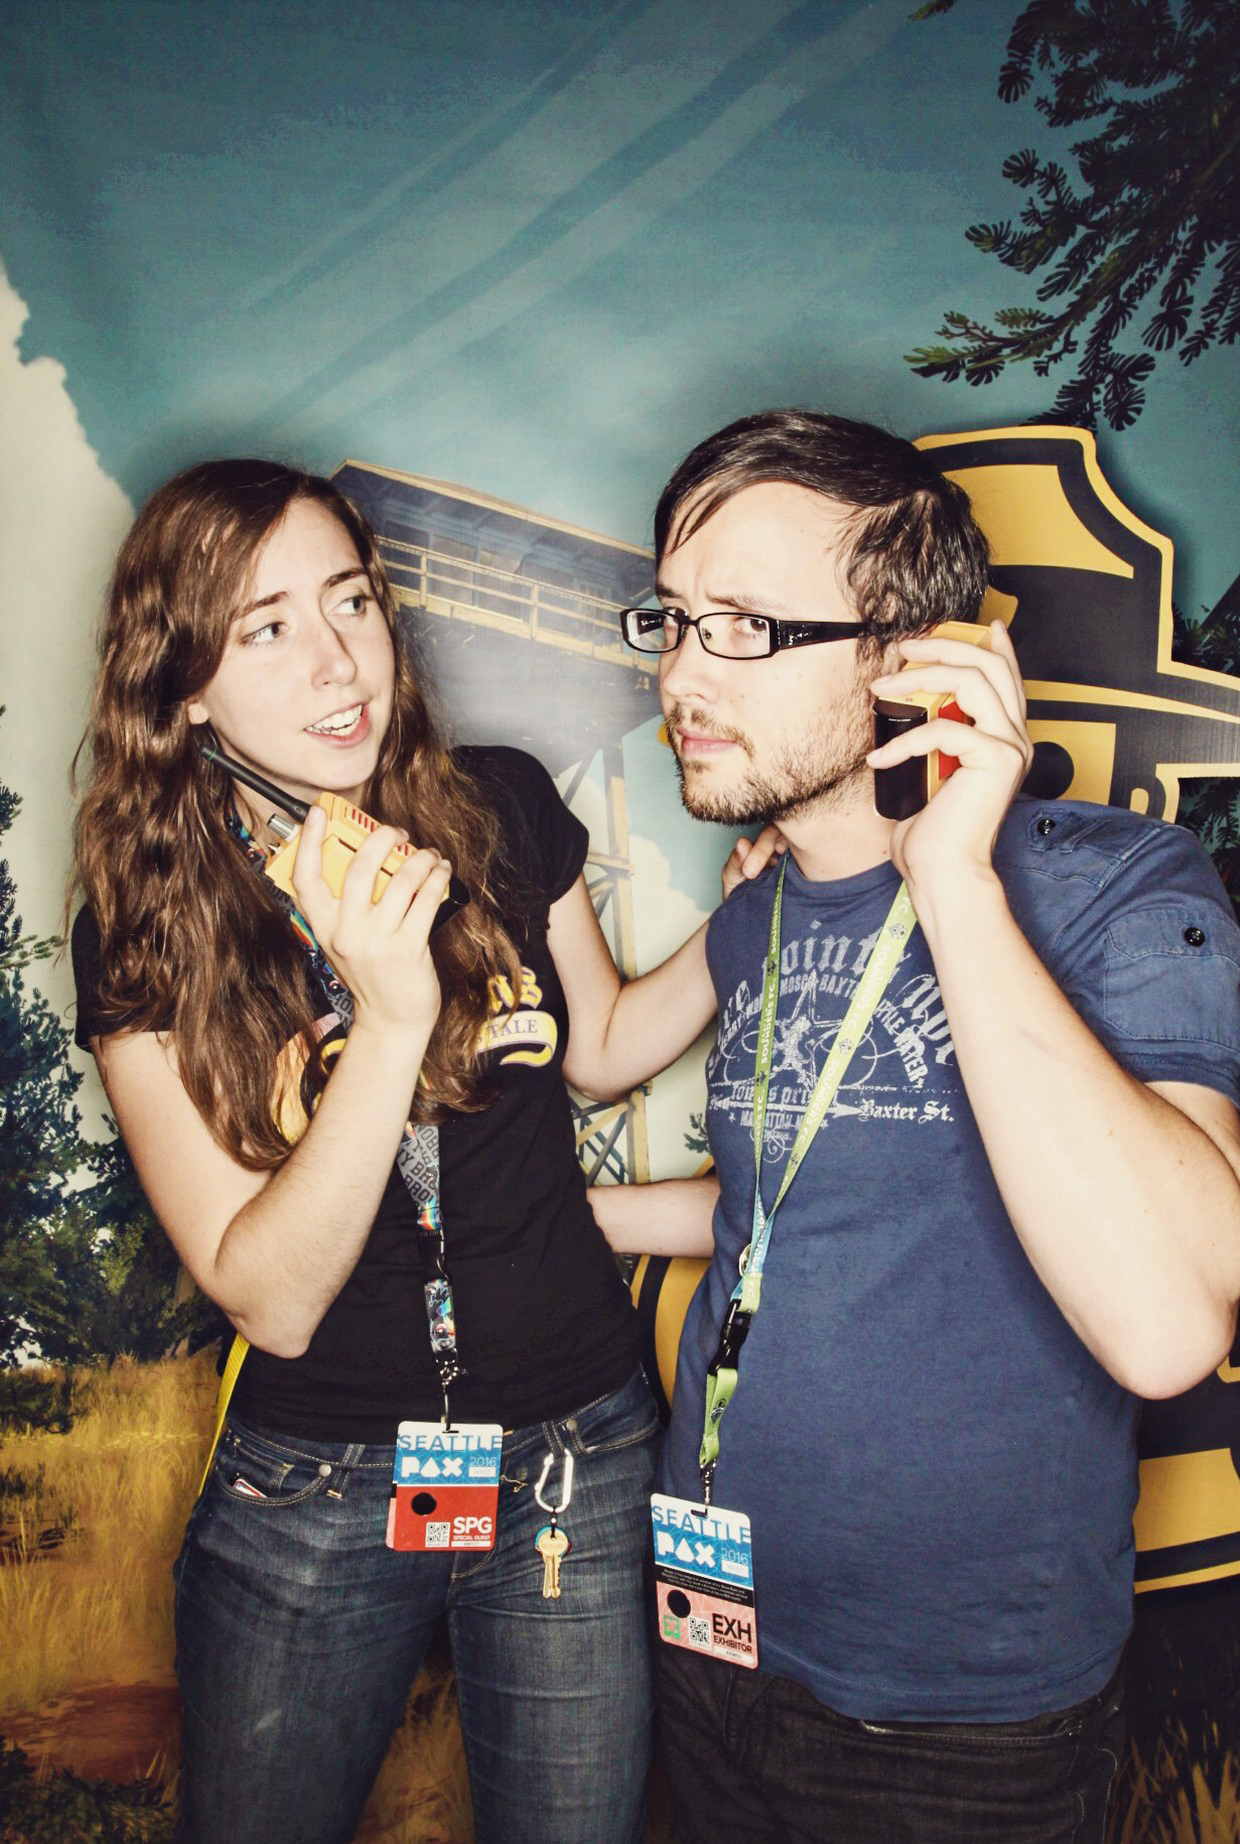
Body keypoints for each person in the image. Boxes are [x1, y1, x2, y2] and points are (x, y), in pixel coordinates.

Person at [69, 459, 762, 1844]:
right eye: (266, 627)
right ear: (183, 685)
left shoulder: (495, 805)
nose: (338, 662)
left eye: (350, 602)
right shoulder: (149, 927)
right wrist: (390, 1020)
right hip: (317, 1482)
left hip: (577, 1452)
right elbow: (269, 1297)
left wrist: (748, 911)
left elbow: (599, 1045)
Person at [603, 409, 1240, 1844]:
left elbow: (1168, 1327)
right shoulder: (755, 912)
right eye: (675, 619)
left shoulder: (1121, 887)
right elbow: (795, 1194)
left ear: (910, 659)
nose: (681, 676)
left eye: (746, 627)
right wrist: (561, 1217)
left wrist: (949, 876)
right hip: (712, 1641)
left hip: (958, 1725)